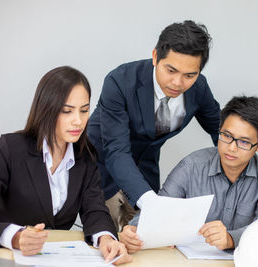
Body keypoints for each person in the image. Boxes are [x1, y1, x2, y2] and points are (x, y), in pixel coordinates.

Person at [0, 66, 131, 264]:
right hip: (4, 258)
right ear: (46, 110)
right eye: (67, 111)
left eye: (84, 110)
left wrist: (106, 238)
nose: (79, 121)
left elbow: (94, 209)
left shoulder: (85, 156)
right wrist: (14, 237)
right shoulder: (10, 149)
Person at [87, 20, 221, 231]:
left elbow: (220, 130)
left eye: (189, 75)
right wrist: (151, 202)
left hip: (146, 172)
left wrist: (237, 164)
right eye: (171, 70)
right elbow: (117, 151)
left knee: (149, 244)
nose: (178, 83)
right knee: (109, 245)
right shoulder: (119, 81)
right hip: (101, 169)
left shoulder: (199, 88)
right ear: (155, 56)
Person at [120, 95, 258, 253]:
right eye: (227, 136)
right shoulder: (191, 166)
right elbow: (159, 209)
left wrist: (230, 239)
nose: (232, 148)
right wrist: (134, 230)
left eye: (244, 142)